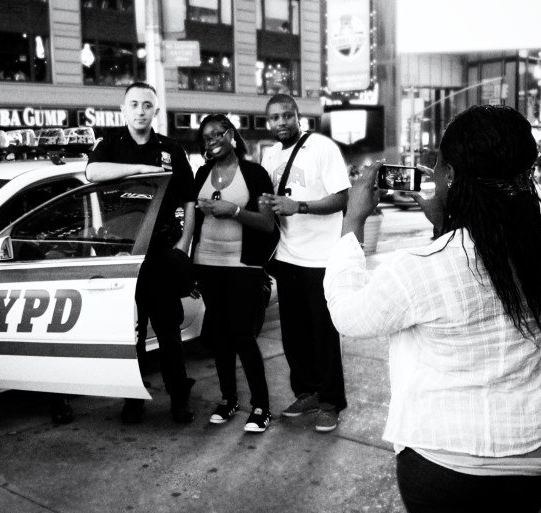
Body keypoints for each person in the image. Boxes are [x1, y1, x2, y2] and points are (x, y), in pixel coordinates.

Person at [324, 105, 541, 513]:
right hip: (535, 454)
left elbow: (348, 316)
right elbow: (485, 280)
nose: (431, 173)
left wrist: (353, 219)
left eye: (438, 164)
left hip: (447, 465)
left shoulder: (422, 267)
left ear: (453, 175)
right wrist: (447, 223)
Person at [86, 81, 197, 424]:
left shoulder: (171, 150)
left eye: (147, 105)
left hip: (161, 252)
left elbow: (189, 199)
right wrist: (141, 170)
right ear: (123, 109)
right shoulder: (110, 144)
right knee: (129, 333)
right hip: (122, 254)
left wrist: (184, 244)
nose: (140, 111)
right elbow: (91, 172)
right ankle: (132, 399)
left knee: (167, 331)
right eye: (133, 104)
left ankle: (179, 399)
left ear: (155, 111)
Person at [259, 93, 350, 432]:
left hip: (320, 259)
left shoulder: (322, 147)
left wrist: (300, 207)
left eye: (286, 115)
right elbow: (269, 203)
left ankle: (330, 402)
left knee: (323, 335)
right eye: (274, 118)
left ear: (298, 116)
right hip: (286, 257)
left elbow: (342, 197)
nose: (280, 122)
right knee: (294, 335)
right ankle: (307, 392)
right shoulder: (269, 156)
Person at [191, 114, 276, 432]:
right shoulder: (202, 173)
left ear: (231, 135)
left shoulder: (254, 174)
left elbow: (267, 224)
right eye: (205, 137)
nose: (211, 140)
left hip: (243, 266)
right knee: (220, 336)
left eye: (217, 133)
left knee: (242, 334)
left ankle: (261, 407)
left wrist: (235, 211)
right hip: (207, 263)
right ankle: (228, 400)